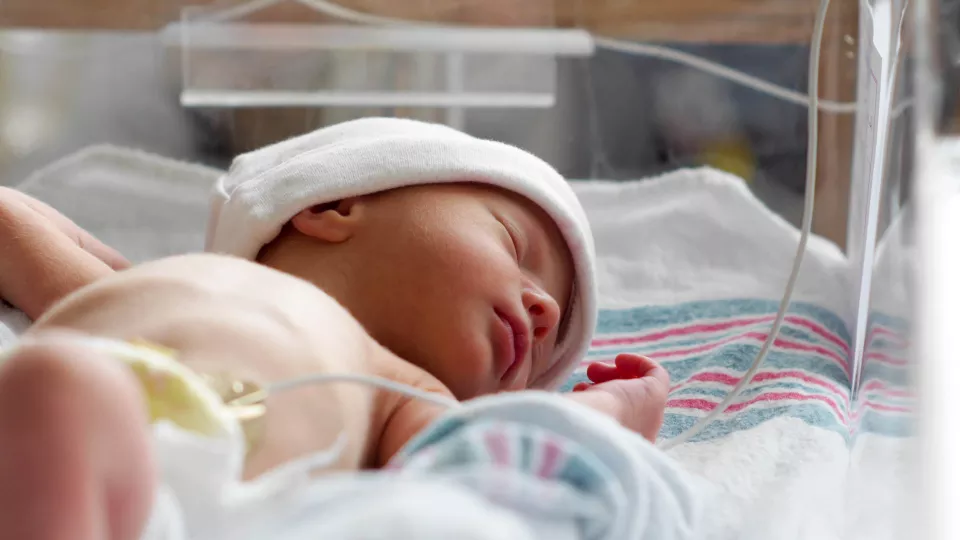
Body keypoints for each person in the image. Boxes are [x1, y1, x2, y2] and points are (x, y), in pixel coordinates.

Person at [0, 118, 670, 540]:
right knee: (53, 389)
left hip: (208, 508)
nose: (543, 310)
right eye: (518, 250)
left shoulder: (403, 391)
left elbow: (499, 457)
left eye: (549, 349)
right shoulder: (145, 288)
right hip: (76, 457)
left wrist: (604, 412)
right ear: (335, 205)